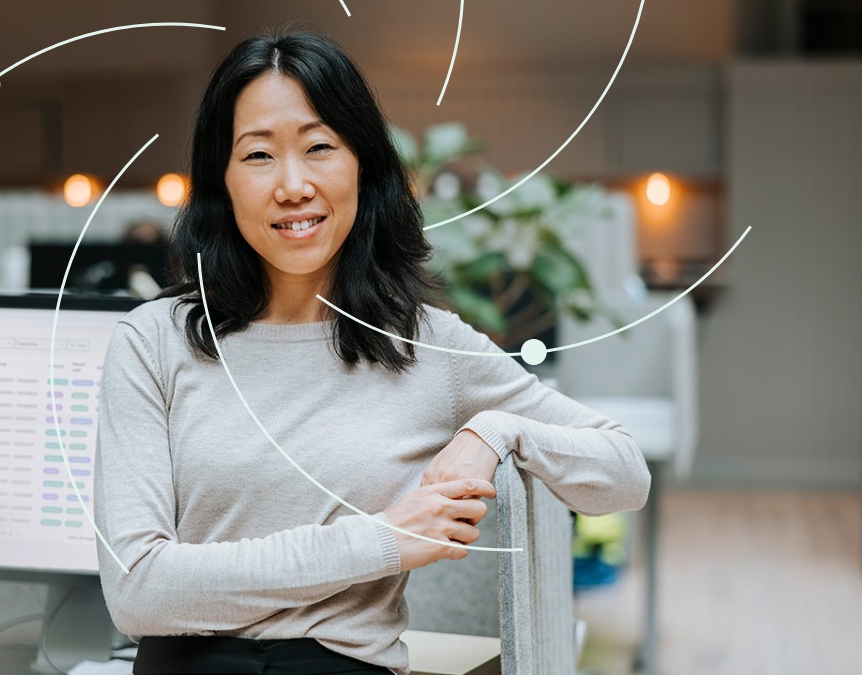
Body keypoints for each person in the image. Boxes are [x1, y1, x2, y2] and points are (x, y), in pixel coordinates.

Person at [93, 26, 650, 675]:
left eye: (319, 147)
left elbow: (624, 472)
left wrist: (496, 431)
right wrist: (385, 539)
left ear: (363, 164)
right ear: (222, 179)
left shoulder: (425, 345)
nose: (293, 185)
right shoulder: (154, 340)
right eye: (258, 155)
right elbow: (138, 590)